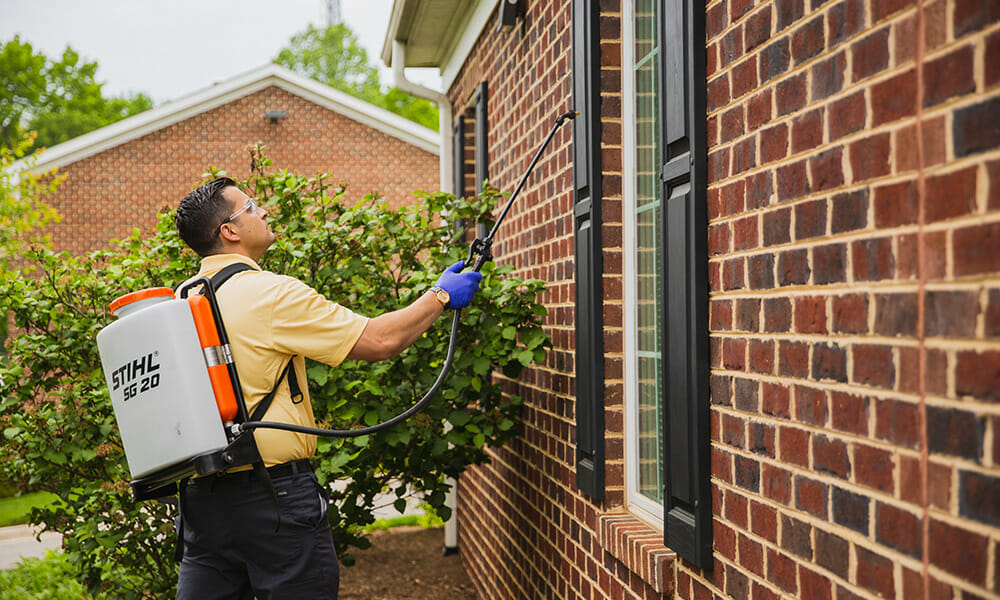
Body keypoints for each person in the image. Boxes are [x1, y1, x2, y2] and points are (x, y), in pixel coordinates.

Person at [171, 177, 482, 599]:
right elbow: (378, 340)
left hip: (202, 504)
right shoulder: (267, 292)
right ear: (230, 231)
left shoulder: (181, 302)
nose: (263, 211)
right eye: (252, 207)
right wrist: (441, 296)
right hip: (274, 500)